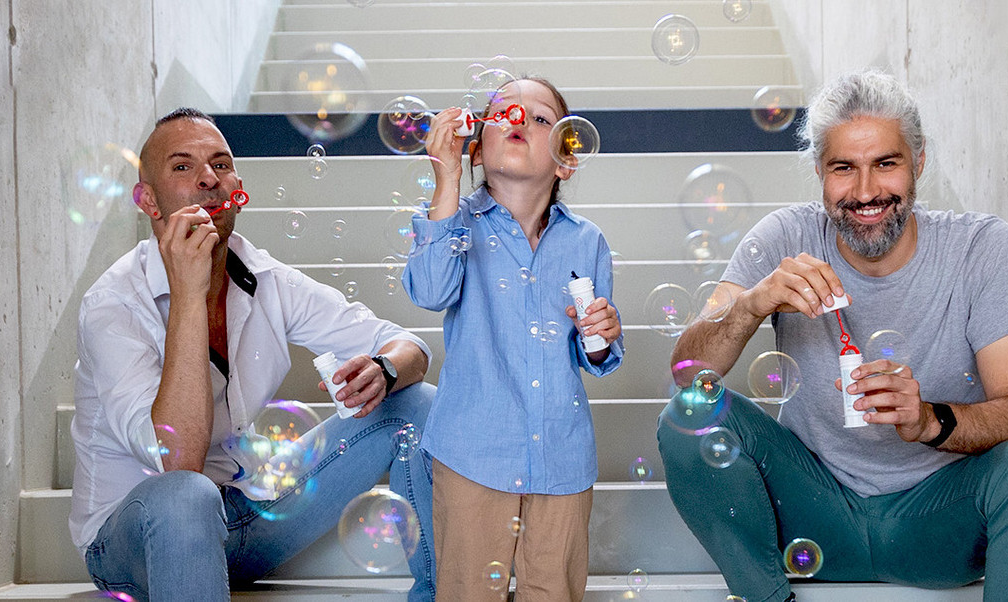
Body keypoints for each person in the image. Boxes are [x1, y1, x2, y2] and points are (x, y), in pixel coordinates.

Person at [660, 70, 1008, 602]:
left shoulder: (982, 250)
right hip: (812, 515)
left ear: (918, 161)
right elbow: (689, 372)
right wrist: (751, 304)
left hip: (936, 521)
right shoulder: (785, 237)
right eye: (843, 168)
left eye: (886, 163)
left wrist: (929, 419)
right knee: (691, 411)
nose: (865, 192)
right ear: (819, 171)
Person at [70, 108, 437, 601]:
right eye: (183, 167)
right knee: (186, 494)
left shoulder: (265, 277)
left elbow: (408, 345)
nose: (208, 178)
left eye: (221, 165)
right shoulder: (113, 305)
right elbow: (176, 460)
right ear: (148, 201)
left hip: (241, 517)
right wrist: (187, 293)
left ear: (238, 186)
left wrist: (383, 368)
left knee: (415, 403)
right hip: (139, 537)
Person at [404, 77, 624, 601]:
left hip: (563, 460)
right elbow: (430, 291)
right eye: (505, 113)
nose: (520, 121)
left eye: (541, 118)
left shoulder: (586, 239)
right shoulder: (455, 223)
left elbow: (593, 355)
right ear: (476, 146)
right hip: (471, 457)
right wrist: (445, 177)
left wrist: (600, 334)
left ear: (565, 161)